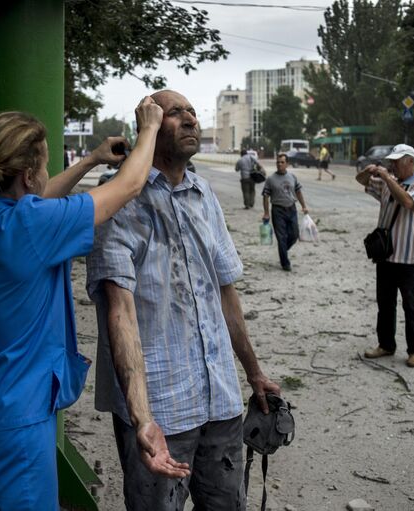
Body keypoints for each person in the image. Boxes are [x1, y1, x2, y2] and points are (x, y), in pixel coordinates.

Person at [0, 98, 164, 511]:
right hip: (20, 426)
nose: (47, 175)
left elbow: (38, 202)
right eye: (45, 166)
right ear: (28, 176)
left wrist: (91, 161)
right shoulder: (30, 227)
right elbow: (128, 187)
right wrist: (149, 129)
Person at [86, 90, 280, 510]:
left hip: (220, 401)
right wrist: (142, 419)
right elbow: (119, 312)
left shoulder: (204, 194)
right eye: (176, 113)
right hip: (160, 411)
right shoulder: (116, 200)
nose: (192, 120)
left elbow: (225, 292)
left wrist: (254, 373)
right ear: (151, 127)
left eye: (193, 111)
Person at [356, 143, 414, 368]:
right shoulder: (389, 183)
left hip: (409, 259)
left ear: (410, 161)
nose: (393, 165)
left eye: (397, 161)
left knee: (412, 305)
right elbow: (362, 182)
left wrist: (387, 178)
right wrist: (369, 171)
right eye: (391, 162)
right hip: (386, 256)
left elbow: (408, 202)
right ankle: (386, 344)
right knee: (385, 304)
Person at [262, 153, 309, 271]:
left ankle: (283, 250)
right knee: (281, 238)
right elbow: (265, 196)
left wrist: (304, 206)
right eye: (278, 162)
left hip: (291, 209)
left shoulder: (292, 177)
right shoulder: (271, 179)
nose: (279, 164)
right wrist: (266, 212)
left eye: (282, 162)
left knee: (294, 235)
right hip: (278, 211)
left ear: (287, 164)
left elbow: (298, 192)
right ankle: (285, 263)